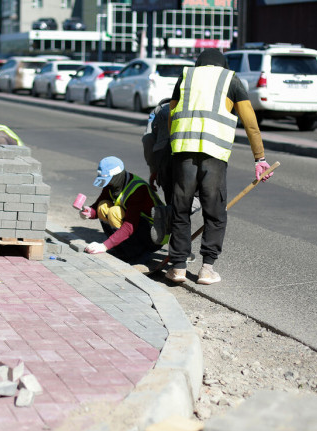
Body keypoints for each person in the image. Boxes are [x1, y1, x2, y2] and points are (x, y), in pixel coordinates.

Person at [161, 48, 272, 285]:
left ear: (199, 64)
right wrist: (259, 158)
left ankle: (178, 267)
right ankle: (207, 269)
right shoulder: (229, 78)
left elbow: (171, 113)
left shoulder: (185, 76)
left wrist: (173, 144)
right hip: (214, 155)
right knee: (215, 213)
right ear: (222, 64)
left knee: (181, 209)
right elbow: (249, 119)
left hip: (183, 152)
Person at [80, 156, 166, 264]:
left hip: (154, 234)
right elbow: (97, 206)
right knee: (102, 206)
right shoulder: (113, 184)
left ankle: (137, 254)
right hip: (139, 225)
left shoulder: (138, 189)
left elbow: (129, 226)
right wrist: (89, 212)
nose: (107, 184)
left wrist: (104, 246)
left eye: (108, 180)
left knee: (114, 212)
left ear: (117, 176)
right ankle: (122, 250)